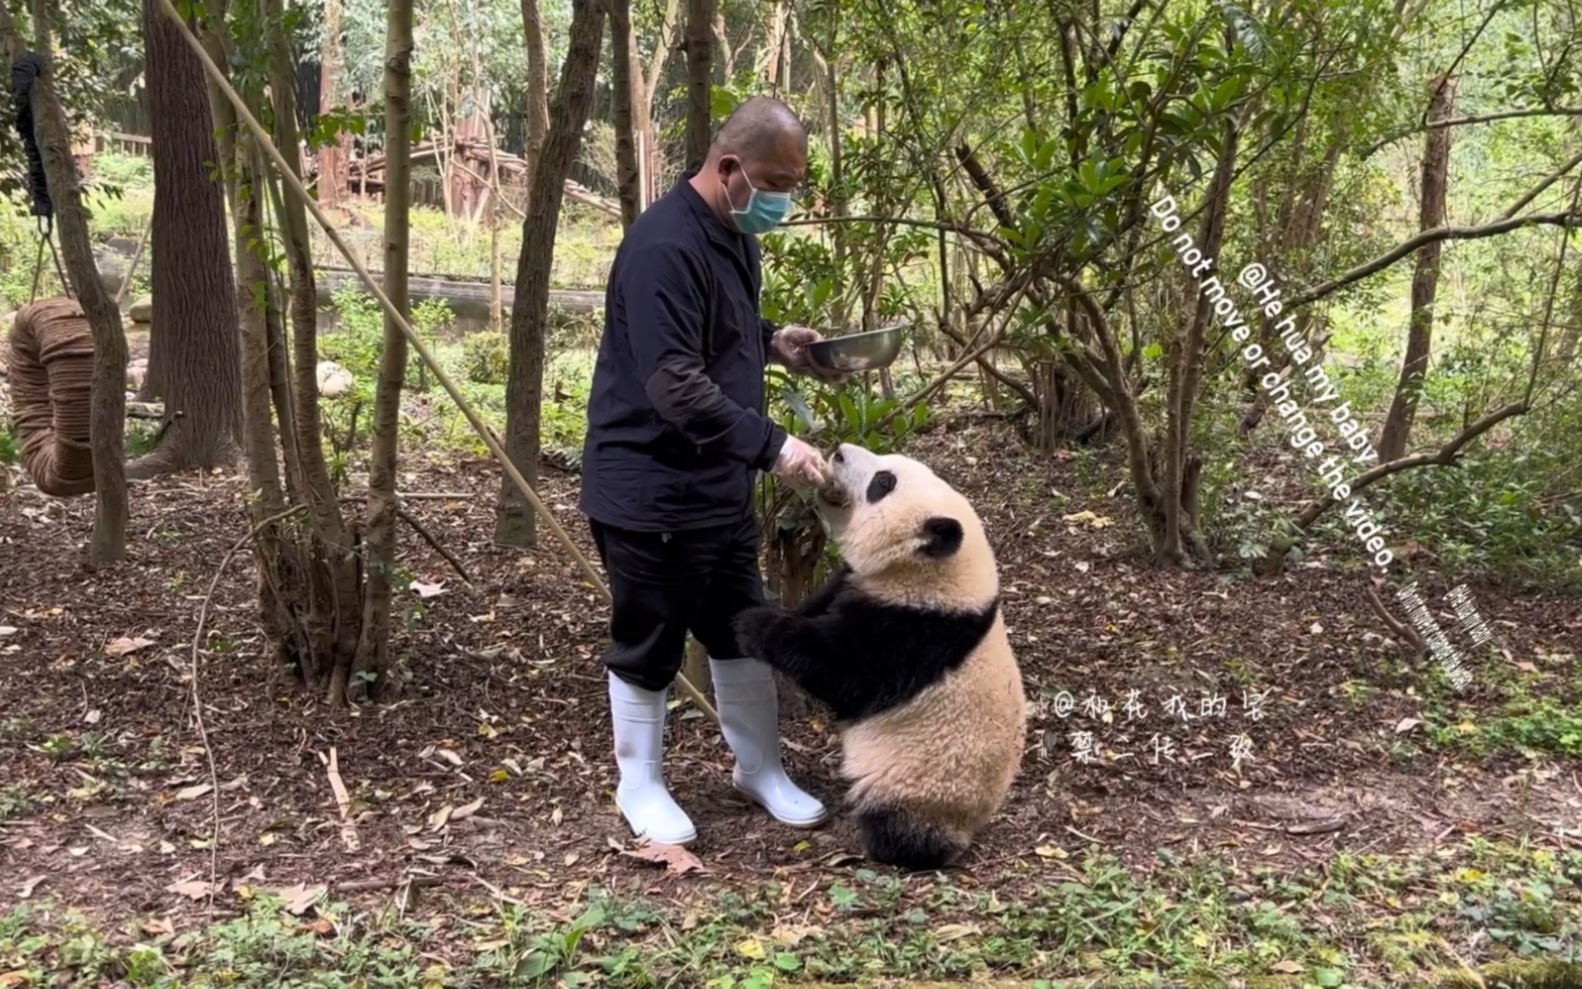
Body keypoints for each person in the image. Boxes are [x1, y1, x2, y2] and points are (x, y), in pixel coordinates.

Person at [579, 96, 838, 846]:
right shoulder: (664, 245)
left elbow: (717, 333)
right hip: (650, 489)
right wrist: (777, 446)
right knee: (650, 640)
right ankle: (643, 784)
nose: (785, 197)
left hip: (717, 489)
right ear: (729, 169)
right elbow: (674, 383)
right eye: (778, 180)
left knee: (739, 630)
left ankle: (757, 768)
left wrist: (773, 342)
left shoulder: (733, 234)